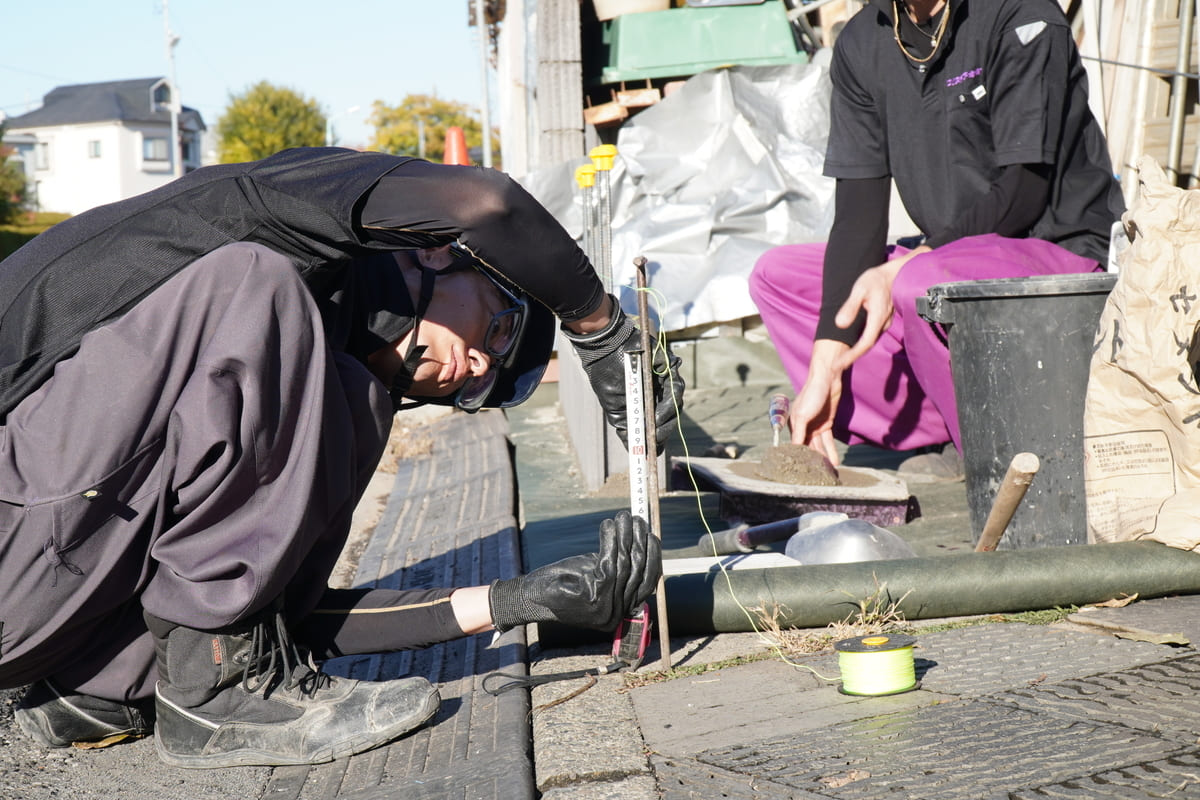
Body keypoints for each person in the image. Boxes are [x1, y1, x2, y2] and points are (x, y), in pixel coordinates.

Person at [0, 147, 682, 768]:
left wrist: (519, 601)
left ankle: (99, 687)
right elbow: (488, 204)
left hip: (41, 602)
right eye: (500, 327)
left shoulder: (319, 379)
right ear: (442, 254)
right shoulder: (273, 214)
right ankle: (217, 698)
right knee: (254, 284)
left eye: (485, 384)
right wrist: (599, 325)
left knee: (350, 396)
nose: (477, 366)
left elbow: (270, 616)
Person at [749, 0, 1124, 479]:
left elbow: (1023, 191)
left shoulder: (1023, 16)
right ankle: (941, 422)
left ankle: (1001, 441)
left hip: (1060, 255)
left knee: (919, 284)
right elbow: (858, 217)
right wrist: (825, 364)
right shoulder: (864, 41)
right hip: (948, 256)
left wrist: (909, 264)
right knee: (779, 278)